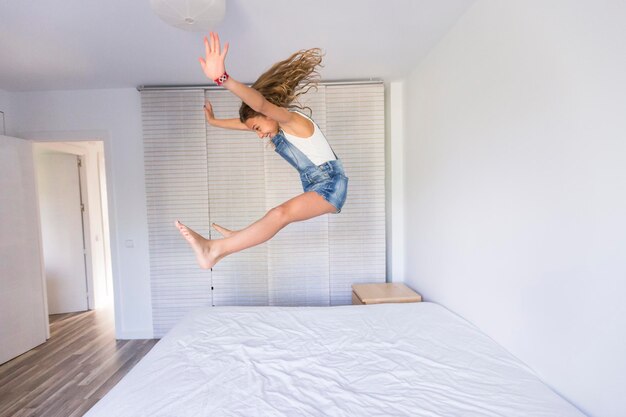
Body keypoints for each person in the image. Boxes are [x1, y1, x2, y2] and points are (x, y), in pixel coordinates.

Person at [176, 32, 348, 269]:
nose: (258, 134)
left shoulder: (290, 120)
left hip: (330, 184)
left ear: (268, 113)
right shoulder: (279, 130)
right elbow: (246, 122)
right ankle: (234, 242)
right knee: (277, 216)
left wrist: (223, 79)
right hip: (318, 184)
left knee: (279, 214)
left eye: (257, 127)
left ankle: (213, 249)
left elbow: (260, 104)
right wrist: (214, 122)